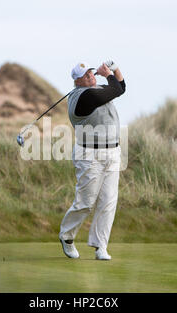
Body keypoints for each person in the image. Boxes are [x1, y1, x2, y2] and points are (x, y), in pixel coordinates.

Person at [59, 60, 126, 260]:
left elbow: (120, 87)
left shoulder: (95, 90)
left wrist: (115, 69)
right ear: (77, 81)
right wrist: (108, 74)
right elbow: (114, 89)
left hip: (112, 152)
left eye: (90, 73)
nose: (90, 76)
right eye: (85, 76)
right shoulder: (84, 97)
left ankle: (100, 246)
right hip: (90, 156)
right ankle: (67, 236)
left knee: (108, 201)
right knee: (86, 202)